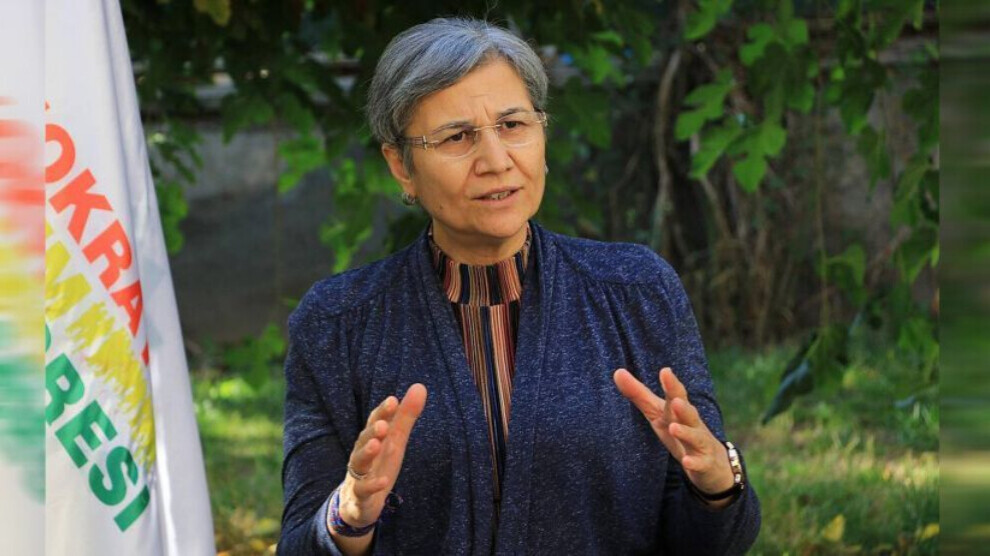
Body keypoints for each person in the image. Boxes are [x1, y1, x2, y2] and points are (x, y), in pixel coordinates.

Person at [279, 17, 760, 556]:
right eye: (457, 137)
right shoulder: (339, 323)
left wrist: (717, 484)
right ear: (401, 166)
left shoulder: (635, 291)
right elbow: (299, 543)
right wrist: (348, 517)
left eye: (512, 125)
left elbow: (713, 540)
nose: (495, 161)